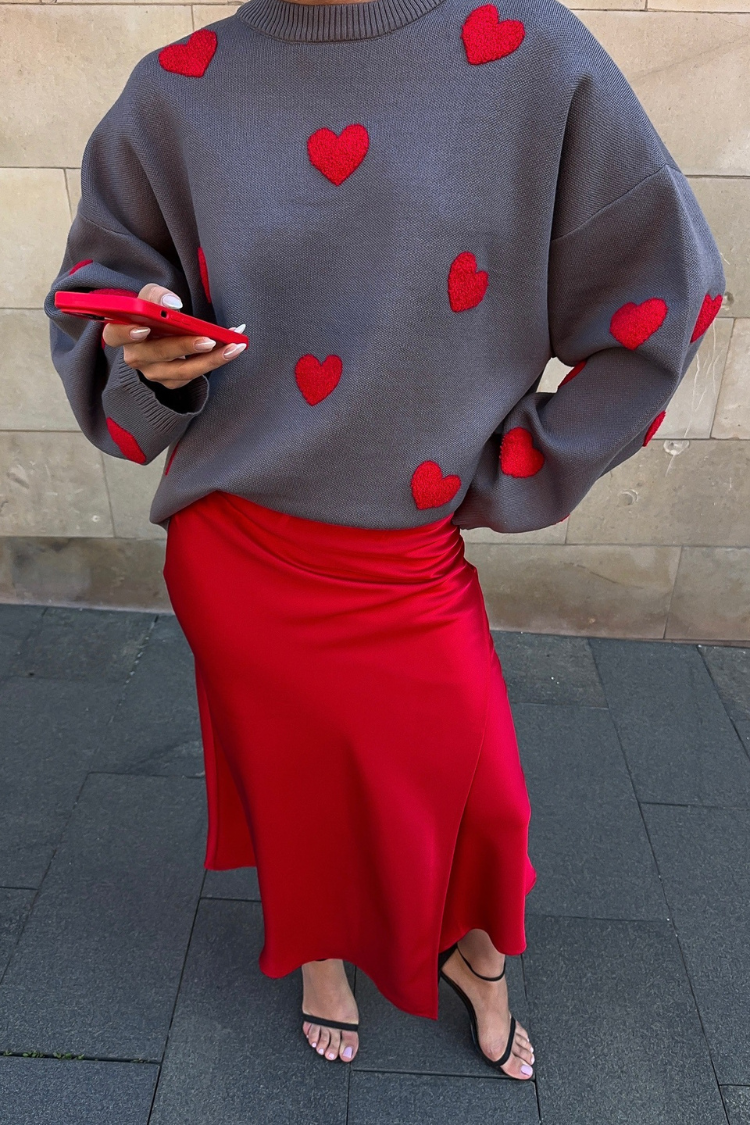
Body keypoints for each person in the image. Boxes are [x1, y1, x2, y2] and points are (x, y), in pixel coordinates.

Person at [44, 0, 724, 1079]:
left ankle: (479, 957)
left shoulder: (528, 52)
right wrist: (147, 365)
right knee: (296, 780)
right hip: (235, 544)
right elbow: (98, 310)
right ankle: (319, 954)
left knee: (487, 800)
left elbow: (665, 297)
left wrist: (514, 468)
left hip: (406, 555)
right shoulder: (176, 88)